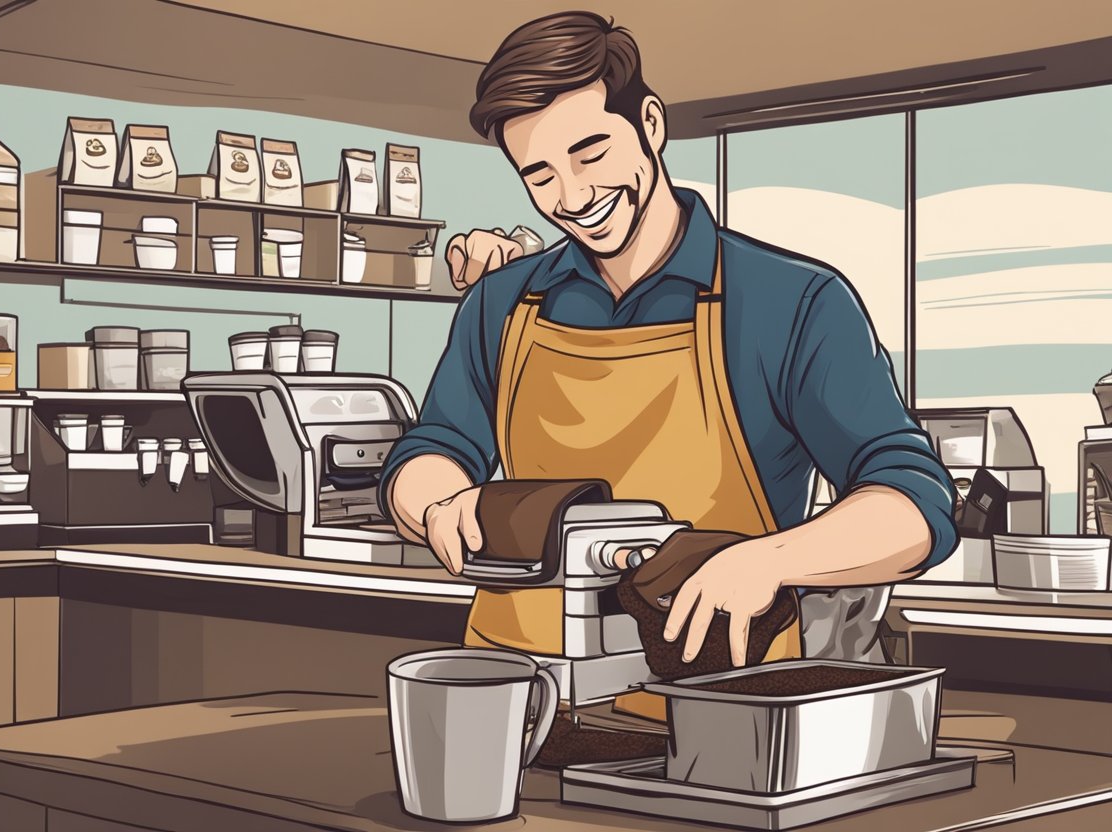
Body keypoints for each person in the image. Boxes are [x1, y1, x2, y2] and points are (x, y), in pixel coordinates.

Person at [381, 11, 956, 708]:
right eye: (539, 175)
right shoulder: (502, 304)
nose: (573, 197)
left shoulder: (793, 301)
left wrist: (770, 560)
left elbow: (915, 504)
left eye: (590, 154)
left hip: (721, 708)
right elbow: (432, 448)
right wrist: (436, 504)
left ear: (649, 123)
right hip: (515, 701)